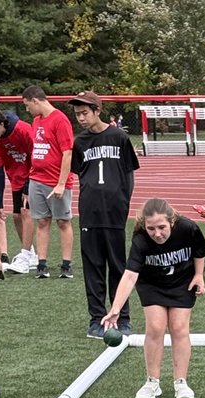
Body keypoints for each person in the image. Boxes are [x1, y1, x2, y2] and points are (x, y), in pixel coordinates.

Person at [102, 198, 205, 398]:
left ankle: (181, 383)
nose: (157, 234)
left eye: (161, 227)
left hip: (181, 282)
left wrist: (199, 275)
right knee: (156, 327)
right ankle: (152, 382)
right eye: (151, 228)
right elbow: (131, 275)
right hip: (152, 284)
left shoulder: (187, 228)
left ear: (172, 222)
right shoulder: (141, 239)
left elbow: (199, 251)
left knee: (179, 328)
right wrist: (116, 308)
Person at [70, 90, 141, 339]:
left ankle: (121, 317)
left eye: (85, 113)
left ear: (97, 111)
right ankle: (95, 319)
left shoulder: (119, 137)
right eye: (77, 114)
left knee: (118, 266)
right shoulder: (80, 142)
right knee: (93, 267)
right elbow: (82, 175)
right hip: (89, 213)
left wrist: (122, 201)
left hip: (114, 213)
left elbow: (129, 174)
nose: (80, 118)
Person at [22, 85, 75, 279]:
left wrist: (61, 183)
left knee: (63, 221)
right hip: (37, 178)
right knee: (42, 221)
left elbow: (67, 152)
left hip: (55, 181)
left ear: (35, 100)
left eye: (28, 105)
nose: (27, 110)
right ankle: (42, 265)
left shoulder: (60, 120)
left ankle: (66, 264)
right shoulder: (37, 121)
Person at [0, 102, 35, 273]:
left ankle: (26, 255)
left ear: (1, 125)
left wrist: (29, 184)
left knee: (26, 212)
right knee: (16, 216)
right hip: (15, 177)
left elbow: (35, 154)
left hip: (33, 174)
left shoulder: (22, 129)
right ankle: (31, 254)